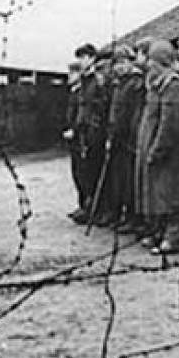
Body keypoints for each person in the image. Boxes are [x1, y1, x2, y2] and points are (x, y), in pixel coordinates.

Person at [134, 40, 179, 254]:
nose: (149, 64)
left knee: (169, 193)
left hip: (167, 150)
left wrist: (158, 149)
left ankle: (172, 235)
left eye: (153, 60)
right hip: (148, 143)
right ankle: (157, 231)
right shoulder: (154, 83)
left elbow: (169, 123)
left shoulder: (173, 85)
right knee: (153, 193)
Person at [103, 44, 146, 233]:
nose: (119, 67)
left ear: (131, 62)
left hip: (129, 139)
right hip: (117, 137)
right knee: (119, 180)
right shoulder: (117, 84)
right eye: (117, 63)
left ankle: (133, 218)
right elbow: (114, 113)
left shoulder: (136, 83)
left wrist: (125, 134)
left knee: (130, 182)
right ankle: (122, 215)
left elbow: (133, 115)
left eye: (123, 62)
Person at [73, 43, 108, 224]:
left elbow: (101, 108)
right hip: (83, 131)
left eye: (84, 57)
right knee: (84, 171)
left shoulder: (98, 81)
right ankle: (88, 207)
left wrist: (95, 128)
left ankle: (98, 210)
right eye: (79, 58)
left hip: (95, 132)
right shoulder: (84, 81)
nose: (81, 61)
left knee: (95, 170)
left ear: (92, 58)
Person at [63, 61, 87, 223]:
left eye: (72, 73)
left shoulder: (81, 93)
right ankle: (81, 205)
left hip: (79, 137)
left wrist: (75, 130)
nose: (69, 76)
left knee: (82, 173)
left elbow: (82, 114)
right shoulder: (74, 92)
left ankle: (86, 207)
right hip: (73, 138)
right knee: (76, 173)